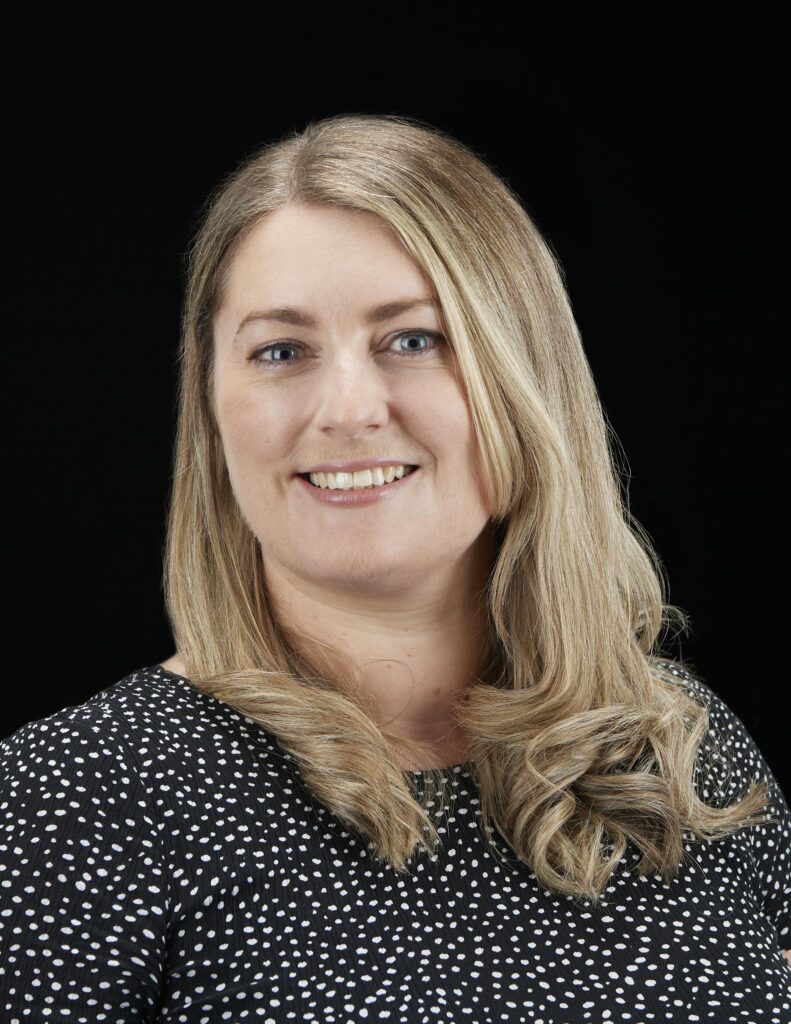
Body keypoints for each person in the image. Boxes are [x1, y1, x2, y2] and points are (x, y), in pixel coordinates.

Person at [1, 113, 789, 1022]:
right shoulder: (68, 805)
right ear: (213, 412)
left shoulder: (678, 751)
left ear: (524, 379)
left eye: (412, 339)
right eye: (280, 351)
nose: (346, 408)